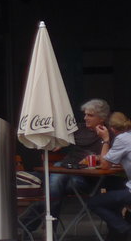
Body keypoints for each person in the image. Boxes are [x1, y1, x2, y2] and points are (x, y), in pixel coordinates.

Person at [19, 98, 111, 232]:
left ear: (102, 118)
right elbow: (59, 142)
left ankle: (33, 226)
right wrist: (56, 144)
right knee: (56, 184)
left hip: (85, 179)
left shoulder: (108, 134)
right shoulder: (78, 129)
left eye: (90, 115)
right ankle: (47, 229)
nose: (85, 118)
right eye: (85, 114)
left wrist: (96, 157)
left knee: (54, 186)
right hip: (65, 169)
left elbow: (111, 158)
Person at [86, 111, 131, 241]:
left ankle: (124, 230)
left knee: (94, 202)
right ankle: (116, 235)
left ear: (111, 129)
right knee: (112, 186)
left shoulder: (122, 139)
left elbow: (105, 165)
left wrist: (105, 139)